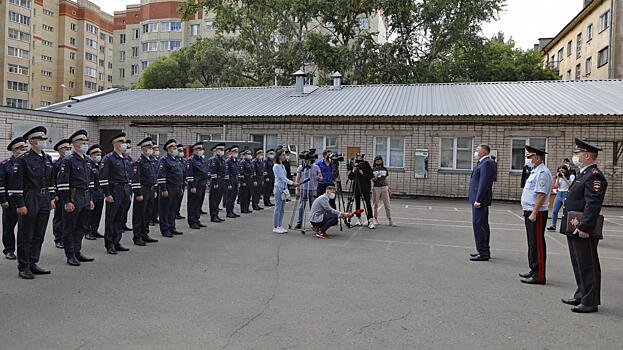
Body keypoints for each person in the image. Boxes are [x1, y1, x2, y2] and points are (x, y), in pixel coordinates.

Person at [560, 138, 608, 313]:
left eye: (577, 153)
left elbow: (593, 204)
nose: (575, 156)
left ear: (587, 155)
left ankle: (590, 301)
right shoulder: (583, 173)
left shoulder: (594, 175)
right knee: (578, 263)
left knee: (588, 264)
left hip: (582, 228)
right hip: (573, 226)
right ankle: (581, 294)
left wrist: (585, 227)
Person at [9, 126, 55, 279]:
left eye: (44, 138)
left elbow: (50, 180)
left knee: (39, 234)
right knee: (26, 234)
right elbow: (16, 185)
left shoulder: (47, 158)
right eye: (39, 139)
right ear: (31, 141)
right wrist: (20, 204)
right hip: (30, 198)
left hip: (44, 198)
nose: (43, 141)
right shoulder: (22, 159)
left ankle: (33, 262)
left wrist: (52, 198)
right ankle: (24, 266)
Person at [57, 130, 96, 266]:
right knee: (70, 227)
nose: (85, 144)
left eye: (86, 142)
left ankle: (78, 251)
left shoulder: (86, 160)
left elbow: (90, 182)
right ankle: (70, 254)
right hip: (73, 197)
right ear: (74, 144)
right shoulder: (68, 161)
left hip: (85, 196)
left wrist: (90, 199)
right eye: (82, 142)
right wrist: (66, 201)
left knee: (82, 226)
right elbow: (62, 183)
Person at [518, 146, 553, 285]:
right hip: (529, 211)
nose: (528, 160)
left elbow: (541, 195)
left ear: (537, 158)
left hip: (536, 213)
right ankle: (534, 269)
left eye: (530, 157)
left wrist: (534, 212)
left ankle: (539, 275)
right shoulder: (535, 171)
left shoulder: (543, 172)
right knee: (532, 243)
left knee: (537, 244)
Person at [100, 132, 132, 255]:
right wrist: (107, 194)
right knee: (111, 218)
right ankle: (109, 244)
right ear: (116, 144)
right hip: (114, 191)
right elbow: (103, 178)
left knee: (121, 217)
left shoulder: (125, 159)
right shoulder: (108, 159)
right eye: (122, 142)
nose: (125, 144)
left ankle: (117, 241)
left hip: (124, 190)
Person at [0, 137, 28, 260]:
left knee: (25, 227)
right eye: (22, 149)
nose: (24, 151)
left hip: (25, 199)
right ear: (14, 150)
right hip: (10, 200)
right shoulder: (5, 164)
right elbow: (1, 183)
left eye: (25, 149)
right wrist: (3, 200)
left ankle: (25, 250)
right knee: (9, 226)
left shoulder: (27, 162)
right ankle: (9, 249)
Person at [468, 144, 495, 262]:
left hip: (480, 200)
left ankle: (483, 252)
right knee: (481, 225)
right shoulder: (482, 162)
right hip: (478, 199)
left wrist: (478, 199)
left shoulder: (487, 163)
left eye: (477, 150)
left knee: (479, 225)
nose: (475, 152)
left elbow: (484, 183)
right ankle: (482, 250)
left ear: (483, 152)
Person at [130, 137, 160, 245]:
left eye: (151, 147)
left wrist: (155, 189)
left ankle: (145, 234)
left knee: (147, 213)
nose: (151, 149)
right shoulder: (139, 162)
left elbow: (153, 177)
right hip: (142, 191)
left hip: (150, 191)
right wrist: (138, 193)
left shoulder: (151, 161)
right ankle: (137, 236)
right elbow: (135, 179)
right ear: (142, 149)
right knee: (139, 214)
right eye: (149, 147)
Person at [157, 139, 185, 237]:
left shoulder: (176, 160)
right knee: (165, 210)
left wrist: (181, 187)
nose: (176, 150)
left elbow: (179, 175)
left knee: (173, 209)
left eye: (176, 148)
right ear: (168, 149)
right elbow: (161, 176)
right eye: (174, 148)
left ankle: (172, 227)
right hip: (168, 188)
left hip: (176, 187)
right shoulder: (164, 160)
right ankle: (165, 229)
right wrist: (164, 189)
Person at [272, 149, 299, 233]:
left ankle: (280, 225)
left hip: (284, 188)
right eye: (283, 155)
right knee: (278, 208)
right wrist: (292, 183)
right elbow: (282, 178)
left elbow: (285, 177)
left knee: (282, 209)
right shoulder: (276, 166)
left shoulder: (282, 165)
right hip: (278, 188)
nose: (285, 156)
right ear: (279, 156)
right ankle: (276, 226)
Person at [52, 138, 71, 249]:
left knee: (68, 218)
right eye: (65, 148)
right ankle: (58, 239)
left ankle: (66, 238)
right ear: (59, 150)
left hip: (69, 194)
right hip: (59, 195)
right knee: (59, 218)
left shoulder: (71, 161)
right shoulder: (56, 164)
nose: (68, 150)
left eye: (69, 148)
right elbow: (53, 180)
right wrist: (55, 195)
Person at [294, 155, 322, 229]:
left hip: (313, 189)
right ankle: (299, 222)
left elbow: (321, 177)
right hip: (304, 188)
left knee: (313, 206)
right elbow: (297, 179)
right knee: (301, 206)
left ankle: (314, 223)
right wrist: (297, 189)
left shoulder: (316, 167)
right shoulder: (301, 167)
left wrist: (318, 178)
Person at [186, 142, 209, 229]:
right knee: (193, 204)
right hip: (195, 185)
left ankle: (197, 219)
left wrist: (206, 183)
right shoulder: (191, 160)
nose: (201, 150)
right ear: (194, 150)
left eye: (202, 149)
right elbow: (190, 174)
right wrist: (192, 186)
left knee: (199, 203)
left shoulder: (201, 160)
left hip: (202, 185)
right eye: (199, 148)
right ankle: (192, 221)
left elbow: (205, 172)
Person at [348, 155, 374, 229]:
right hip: (356, 188)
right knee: (357, 203)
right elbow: (350, 178)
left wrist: (362, 172)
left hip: (366, 188)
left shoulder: (366, 165)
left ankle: (370, 220)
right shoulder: (354, 166)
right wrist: (353, 170)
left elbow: (370, 176)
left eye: (360, 162)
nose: (359, 164)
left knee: (368, 203)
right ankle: (358, 219)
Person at [85, 145, 105, 241]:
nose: (99, 156)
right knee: (89, 214)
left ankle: (94, 230)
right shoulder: (88, 166)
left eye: (100, 154)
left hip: (100, 193)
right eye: (97, 154)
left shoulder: (100, 165)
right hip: (92, 193)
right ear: (91, 155)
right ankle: (87, 232)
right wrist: (90, 198)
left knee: (98, 213)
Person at [547, 165, 575, 231]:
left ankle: (567, 226)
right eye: (560, 170)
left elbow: (571, 186)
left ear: (566, 170)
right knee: (554, 211)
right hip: (559, 194)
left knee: (566, 211)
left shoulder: (571, 176)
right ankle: (553, 226)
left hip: (566, 194)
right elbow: (556, 186)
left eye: (562, 170)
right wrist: (558, 178)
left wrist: (564, 177)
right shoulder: (558, 177)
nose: (561, 171)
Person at [371, 156, 395, 227]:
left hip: (384, 187)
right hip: (376, 188)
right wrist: (376, 177)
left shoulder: (384, 169)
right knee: (375, 204)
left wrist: (388, 188)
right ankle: (375, 219)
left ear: (382, 161)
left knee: (387, 204)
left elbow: (385, 179)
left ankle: (390, 219)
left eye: (379, 160)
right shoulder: (373, 169)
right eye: (377, 160)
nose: (378, 161)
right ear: (375, 161)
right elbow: (372, 180)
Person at [207, 143, 226, 223]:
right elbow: (213, 172)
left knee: (218, 199)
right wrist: (215, 183)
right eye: (221, 150)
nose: (222, 151)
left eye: (223, 150)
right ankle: (213, 216)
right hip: (216, 181)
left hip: (221, 180)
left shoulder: (222, 159)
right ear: (217, 150)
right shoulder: (214, 159)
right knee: (213, 200)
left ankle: (216, 215)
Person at [224, 145, 241, 218]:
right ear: (231, 152)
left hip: (236, 180)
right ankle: (228, 212)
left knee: (234, 196)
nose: (236, 153)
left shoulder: (237, 161)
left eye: (237, 151)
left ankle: (232, 210)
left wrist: (239, 182)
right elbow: (226, 173)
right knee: (229, 197)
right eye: (234, 151)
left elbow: (238, 172)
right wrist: (229, 183)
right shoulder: (228, 161)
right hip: (230, 180)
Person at [121, 139, 133, 232]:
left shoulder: (130, 159)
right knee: (120, 207)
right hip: (121, 186)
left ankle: (123, 223)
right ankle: (119, 225)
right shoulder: (121, 159)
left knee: (126, 205)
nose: (129, 149)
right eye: (127, 147)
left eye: (130, 147)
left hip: (129, 186)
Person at [238, 150, 254, 214]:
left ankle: (247, 208)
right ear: (245, 155)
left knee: (248, 195)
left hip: (250, 180)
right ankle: (243, 209)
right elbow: (241, 173)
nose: (250, 155)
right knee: (244, 195)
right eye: (248, 154)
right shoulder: (242, 162)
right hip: (245, 180)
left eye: (250, 154)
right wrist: (243, 181)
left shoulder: (250, 162)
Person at [175, 144, 187, 220]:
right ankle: (174, 213)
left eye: (182, 151)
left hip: (182, 182)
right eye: (179, 150)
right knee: (175, 200)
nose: (181, 152)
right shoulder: (175, 160)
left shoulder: (183, 161)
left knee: (180, 198)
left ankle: (177, 212)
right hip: (176, 183)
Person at [150, 144, 160, 225]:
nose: (156, 151)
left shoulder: (158, 160)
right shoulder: (150, 161)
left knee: (157, 202)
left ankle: (154, 216)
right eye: (155, 150)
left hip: (158, 184)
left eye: (157, 150)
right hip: (152, 185)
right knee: (151, 203)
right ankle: (149, 219)